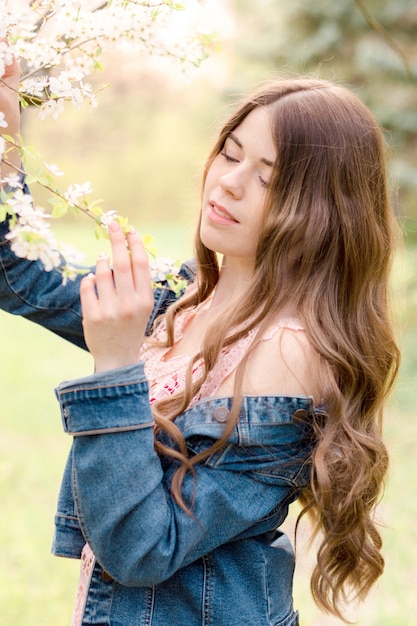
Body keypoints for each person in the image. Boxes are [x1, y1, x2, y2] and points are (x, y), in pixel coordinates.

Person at [0, 47, 400, 626]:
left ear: (321, 210)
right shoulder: (182, 299)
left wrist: (115, 365)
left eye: (268, 177)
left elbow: (142, 547)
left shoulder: (286, 353)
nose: (230, 183)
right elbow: (21, 276)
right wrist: (8, 134)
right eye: (230, 154)